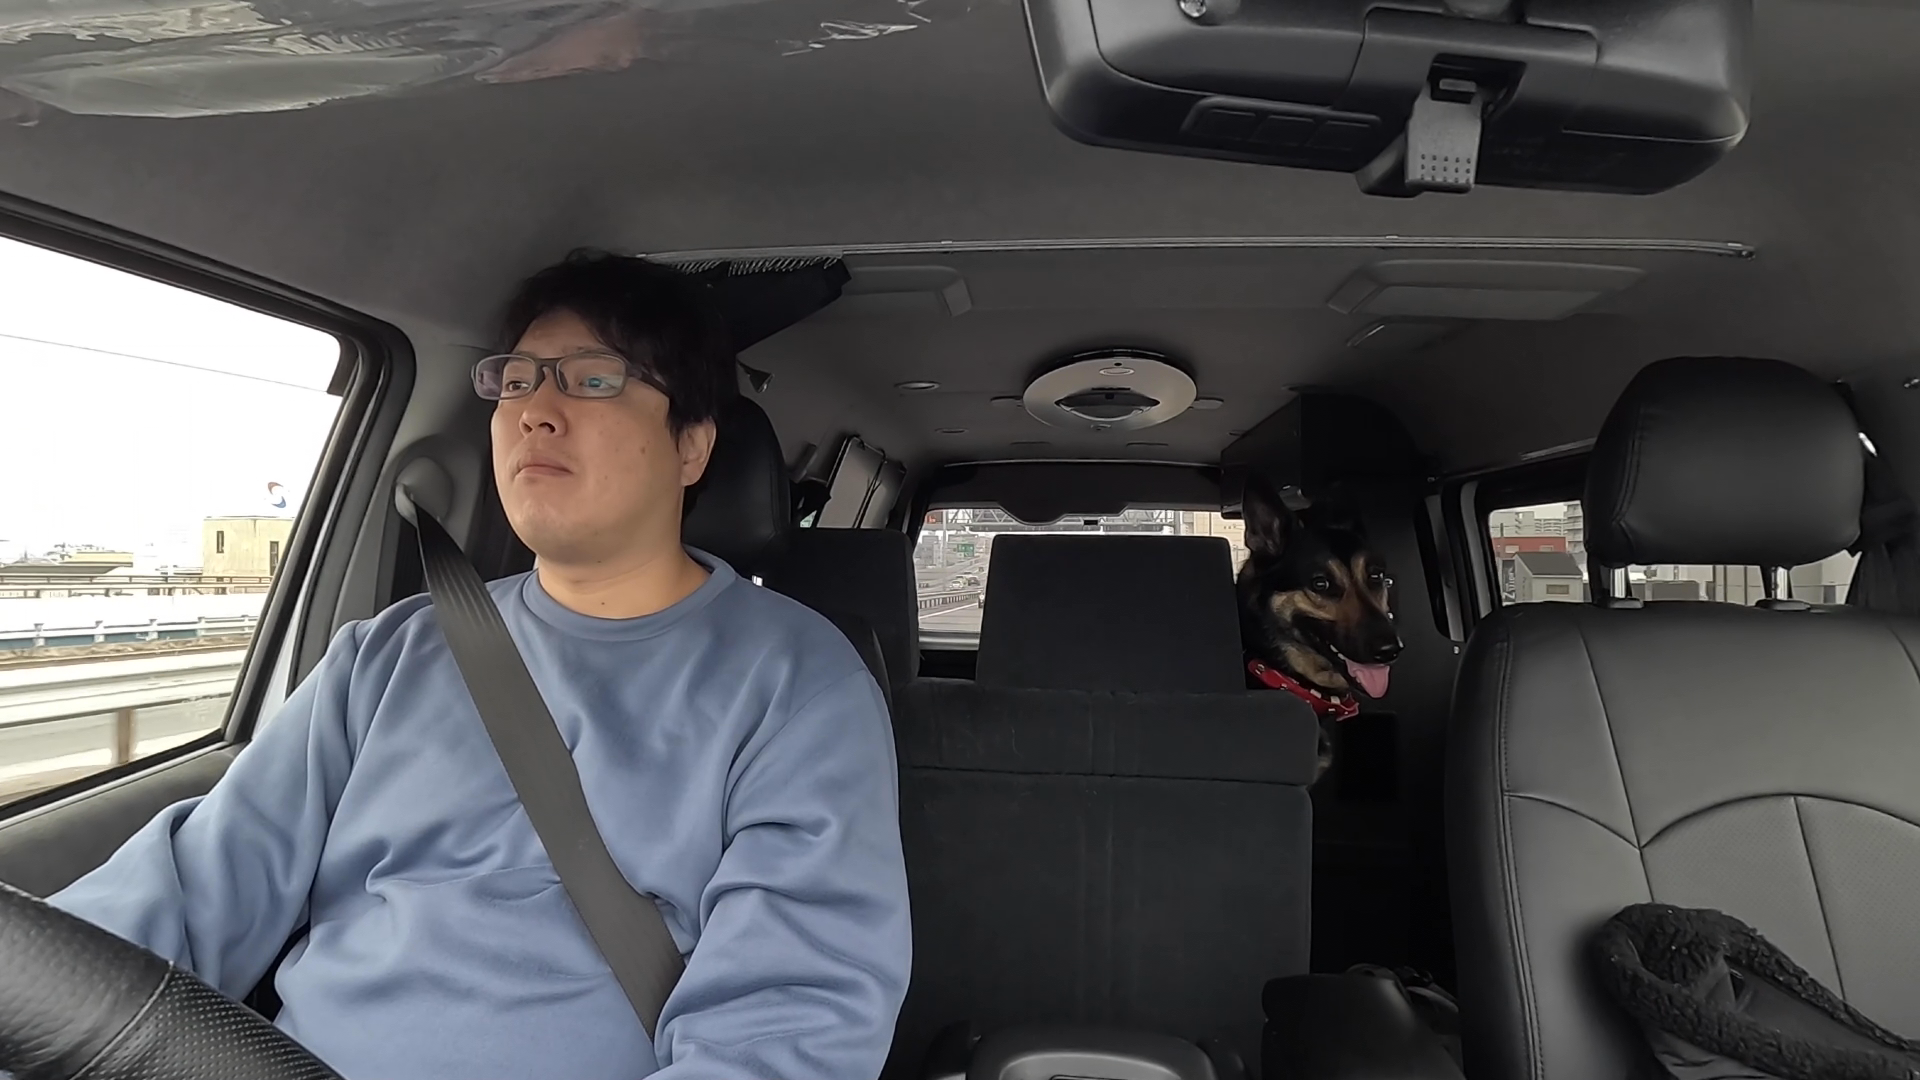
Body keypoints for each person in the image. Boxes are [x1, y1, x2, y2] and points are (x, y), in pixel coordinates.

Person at [49, 252, 912, 1080]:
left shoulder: (799, 683)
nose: (536, 410)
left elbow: (785, 1024)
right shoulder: (388, 654)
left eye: (592, 379)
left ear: (691, 446)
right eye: (517, 380)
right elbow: (193, 889)